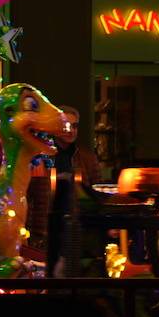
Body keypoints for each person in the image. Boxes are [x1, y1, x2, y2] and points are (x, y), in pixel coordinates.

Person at [49, 105, 101, 277]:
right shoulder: (42, 154)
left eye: (75, 126)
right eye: (66, 125)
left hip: (78, 223)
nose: (71, 130)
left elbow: (96, 190)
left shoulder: (87, 157)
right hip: (49, 221)